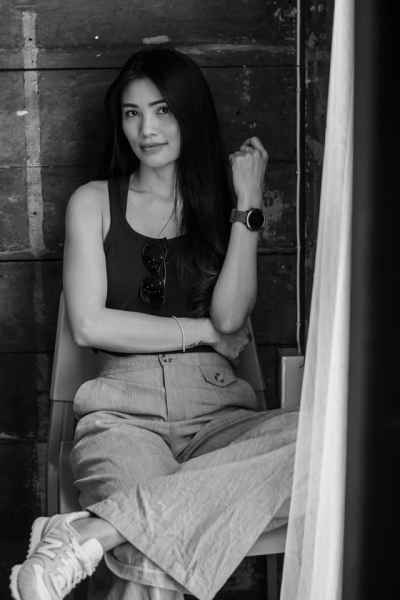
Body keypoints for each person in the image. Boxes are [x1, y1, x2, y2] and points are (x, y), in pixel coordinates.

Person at [10, 46, 298, 600]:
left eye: (163, 110)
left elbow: (231, 315)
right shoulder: (93, 202)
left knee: (325, 444)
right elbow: (90, 325)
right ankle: (117, 528)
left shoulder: (225, 207)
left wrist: (249, 201)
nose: (146, 129)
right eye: (132, 113)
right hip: (123, 414)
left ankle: (91, 532)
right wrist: (203, 333)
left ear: (189, 113)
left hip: (220, 418)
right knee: (152, 550)